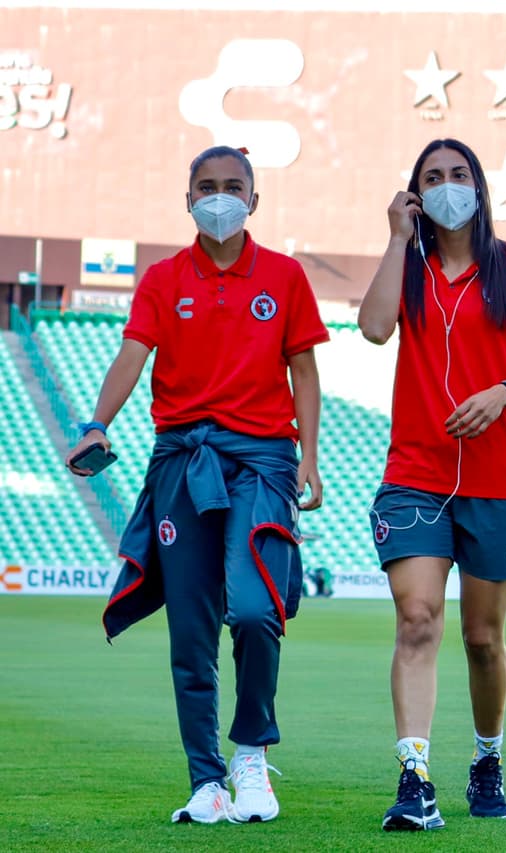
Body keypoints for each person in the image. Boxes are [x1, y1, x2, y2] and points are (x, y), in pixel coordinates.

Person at [69, 145, 328, 825]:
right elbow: (132, 353)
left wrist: (311, 457)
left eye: (233, 187)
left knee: (252, 609)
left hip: (265, 460)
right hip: (182, 459)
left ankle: (249, 751)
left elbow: (304, 369)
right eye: (207, 188)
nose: (221, 198)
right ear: (188, 201)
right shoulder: (161, 278)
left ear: (255, 199)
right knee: (190, 631)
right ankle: (207, 780)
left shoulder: (285, 275)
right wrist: (97, 423)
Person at [358, 138, 506, 832]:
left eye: (458, 174)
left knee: (481, 636)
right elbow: (374, 327)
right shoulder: (407, 270)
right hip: (413, 474)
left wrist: (503, 393)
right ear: (415, 194)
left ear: (480, 186)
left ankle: (487, 756)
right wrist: (396, 239)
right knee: (418, 619)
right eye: (432, 177)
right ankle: (414, 776)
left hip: (496, 479)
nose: (448, 185)